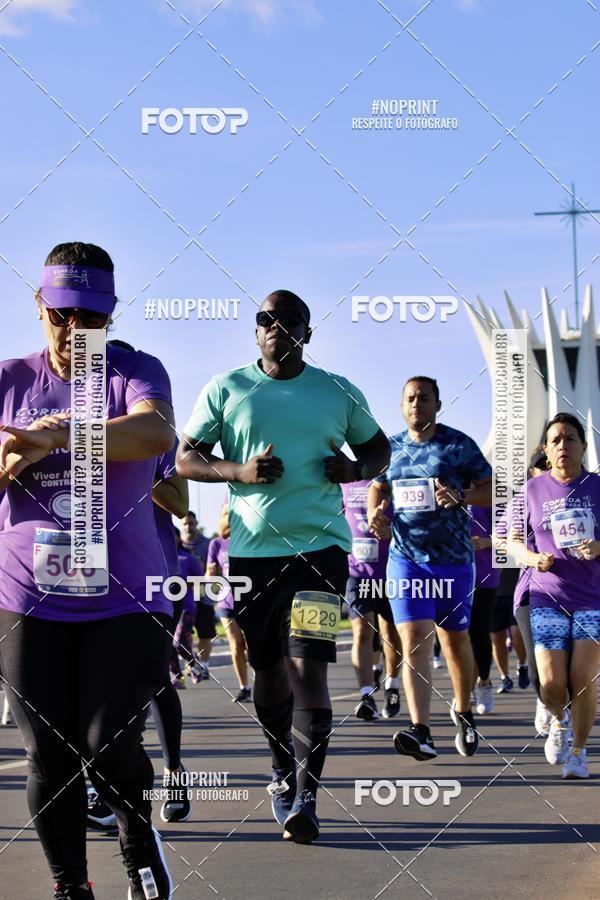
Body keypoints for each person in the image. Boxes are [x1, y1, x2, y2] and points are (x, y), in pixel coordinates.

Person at [176, 288, 390, 844]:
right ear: (255, 332)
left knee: (309, 668)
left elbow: (377, 450)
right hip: (251, 555)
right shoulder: (226, 388)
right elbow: (186, 458)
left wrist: (350, 470)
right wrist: (240, 473)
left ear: (307, 333)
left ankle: (307, 797)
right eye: (266, 319)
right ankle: (279, 769)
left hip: (320, 554)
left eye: (290, 319)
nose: (277, 326)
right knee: (270, 672)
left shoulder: (337, 390)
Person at [0, 243, 175, 899]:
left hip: (126, 596)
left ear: (112, 313)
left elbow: (153, 434)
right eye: (63, 314)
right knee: (47, 753)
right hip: (25, 597)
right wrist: (13, 461)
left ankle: (136, 842)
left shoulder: (133, 372)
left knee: (107, 742)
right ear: (40, 304)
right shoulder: (9, 378)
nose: (77, 330)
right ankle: (71, 886)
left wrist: (61, 434)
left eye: (92, 317)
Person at [368, 376, 492, 760]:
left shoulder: (458, 445)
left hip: (452, 560)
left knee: (455, 642)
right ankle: (420, 729)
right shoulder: (390, 448)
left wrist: (462, 495)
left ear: (437, 405)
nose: (417, 404)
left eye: (424, 398)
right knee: (414, 640)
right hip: (406, 561)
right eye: (410, 398)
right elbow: (378, 485)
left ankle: (464, 710)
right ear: (401, 406)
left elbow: (492, 488)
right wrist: (376, 511)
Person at [508, 413, 600, 778]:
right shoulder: (531, 491)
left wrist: (598, 546)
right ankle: (557, 721)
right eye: (556, 440)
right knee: (550, 680)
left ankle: (579, 750)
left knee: (583, 676)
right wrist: (534, 558)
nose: (564, 446)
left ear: (583, 446)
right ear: (546, 450)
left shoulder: (597, 486)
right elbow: (512, 541)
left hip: (592, 598)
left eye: (570, 439)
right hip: (547, 597)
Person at [341, 479, 401, 720]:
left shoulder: (394, 479)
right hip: (357, 572)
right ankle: (366, 696)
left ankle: (392, 686)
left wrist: (393, 531)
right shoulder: (344, 483)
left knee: (391, 635)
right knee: (363, 633)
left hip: (393, 569)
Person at [207, 503, 253, 703]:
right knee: (236, 646)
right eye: (225, 513)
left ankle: (261, 683)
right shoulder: (216, 544)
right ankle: (244, 687)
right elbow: (210, 573)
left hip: (251, 601)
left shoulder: (250, 537)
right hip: (226, 603)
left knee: (253, 646)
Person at [469, 506, 500, 714]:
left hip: (484, 575)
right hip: (453, 574)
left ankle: (484, 682)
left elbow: (510, 537)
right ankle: (464, 689)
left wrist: (486, 542)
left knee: (479, 632)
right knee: (458, 635)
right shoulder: (445, 493)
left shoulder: (489, 498)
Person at [490, 567, 529, 693]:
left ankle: (522, 665)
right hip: (492, 590)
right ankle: (505, 677)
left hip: (516, 588)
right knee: (497, 637)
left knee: (517, 633)